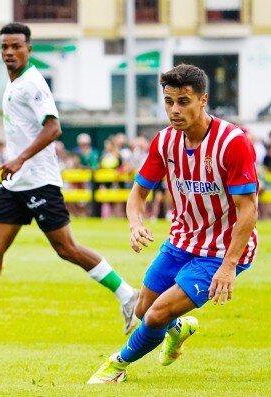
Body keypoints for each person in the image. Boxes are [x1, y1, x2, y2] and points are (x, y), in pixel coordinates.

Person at [0, 22, 138, 337]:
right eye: (4, 47)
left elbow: (53, 127)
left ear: (29, 49)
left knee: (66, 248)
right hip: (15, 184)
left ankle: (127, 295)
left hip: (40, 181)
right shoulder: (13, 83)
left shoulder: (33, 83)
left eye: (16, 46)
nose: (9, 52)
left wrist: (19, 158)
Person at [87, 64, 258, 384]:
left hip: (220, 251)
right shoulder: (165, 141)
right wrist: (135, 224)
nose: (174, 110)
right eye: (168, 101)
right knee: (142, 310)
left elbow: (248, 209)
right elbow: (137, 194)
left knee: (155, 316)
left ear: (203, 99)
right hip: (181, 242)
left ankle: (116, 365)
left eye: (183, 101)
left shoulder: (232, 142)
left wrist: (229, 265)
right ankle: (179, 330)